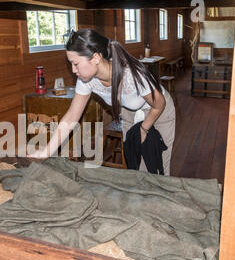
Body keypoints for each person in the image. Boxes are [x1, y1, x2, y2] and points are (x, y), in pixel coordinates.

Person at [28, 28, 176, 175]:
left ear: (96, 58)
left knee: (156, 166)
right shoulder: (86, 81)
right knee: (134, 163)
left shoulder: (131, 75)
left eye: (76, 63)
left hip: (158, 110)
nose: (73, 70)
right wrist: (46, 151)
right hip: (130, 111)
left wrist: (144, 129)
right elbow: (72, 117)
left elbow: (159, 104)